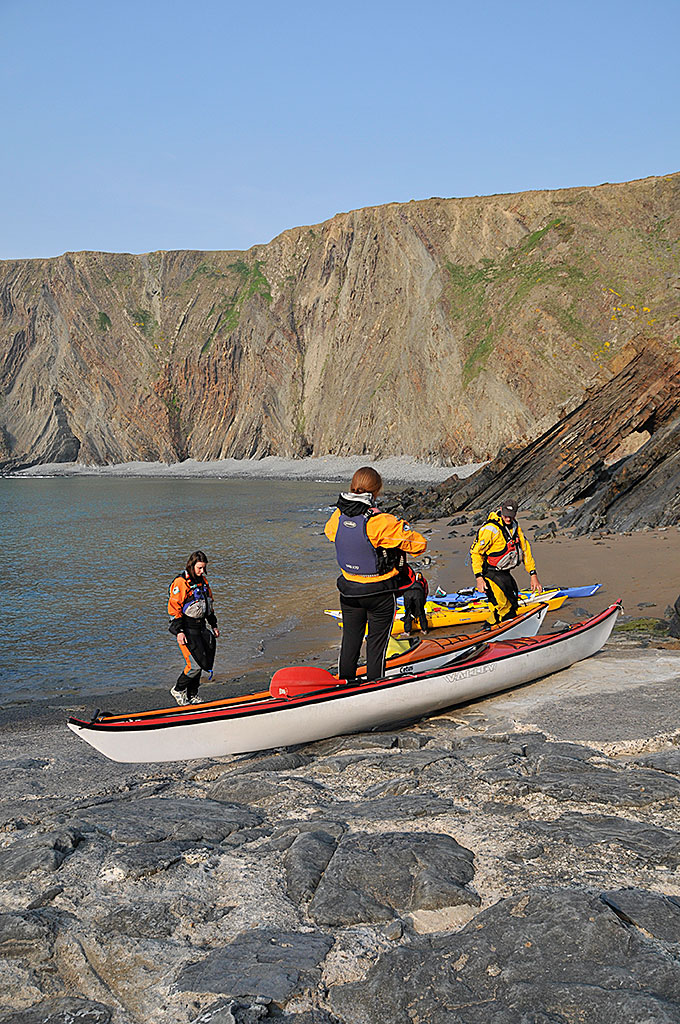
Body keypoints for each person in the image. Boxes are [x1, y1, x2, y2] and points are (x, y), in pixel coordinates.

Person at [324, 466, 427, 681]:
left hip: (349, 592)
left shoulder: (338, 515)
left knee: (350, 641)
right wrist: (401, 529)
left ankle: (345, 684)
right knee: (376, 645)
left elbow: (330, 533)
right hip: (379, 593)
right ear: (377, 491)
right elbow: (419, 545)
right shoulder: (382, 522)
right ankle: (375, 685)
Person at [469, 498, 543, 624]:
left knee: (513, 603)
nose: (508, 519)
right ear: (501, 510)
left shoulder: (515, 527)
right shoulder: (490, 530)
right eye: (506, 515)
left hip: (504, 573)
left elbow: (525, 550)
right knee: (502, 606)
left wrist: (533, 574)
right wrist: (479, 578)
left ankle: (497, 626)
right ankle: (496, 629)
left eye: (511, 516)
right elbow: (476, 553)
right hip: (490, 573)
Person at [167, 550, 220, 705]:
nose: (202, 571)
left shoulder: (203, 582)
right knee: (194, 666)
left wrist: (214, 625)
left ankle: (192, 695)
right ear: (191, 566)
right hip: (187, 630)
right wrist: (179, 632)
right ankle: (178, 690)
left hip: (201, 628)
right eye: (199, 568)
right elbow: (174, 609)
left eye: (204, 568)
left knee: (202, 663)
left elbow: (208, 605)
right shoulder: (180, 583)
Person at [402, 570, 429, 636]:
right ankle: (424, 629)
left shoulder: (406, 578)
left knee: (408, 612)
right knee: (421, 612)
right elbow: (426, 590)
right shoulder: (423, 580)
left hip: (408, 594)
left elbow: (401, 588)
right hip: (418, 594)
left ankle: (407, 631)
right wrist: (424, 600)